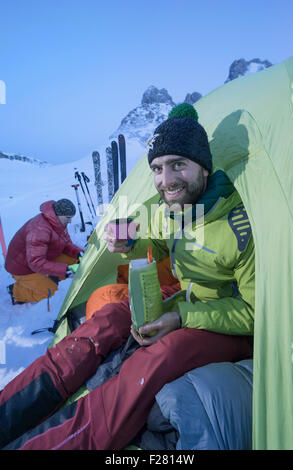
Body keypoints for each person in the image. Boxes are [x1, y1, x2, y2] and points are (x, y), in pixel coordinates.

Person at [0, 104, 254, 450]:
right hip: (188, 301)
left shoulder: (239, 228)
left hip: (230, 325)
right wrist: (130, 243)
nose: (166, 180)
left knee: (163, 355)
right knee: (108, 318)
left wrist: (182, 317)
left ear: (204, 168)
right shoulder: (173, 213)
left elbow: (255, 314)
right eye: (157, 168)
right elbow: (165, 249)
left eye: (178, 164)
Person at [5, 199, 83, 305]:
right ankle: (17, 290)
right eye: (68, 218)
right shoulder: (39, 230)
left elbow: (66, 244)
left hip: (42, 257)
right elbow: (35, 262)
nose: (70, 221)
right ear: (58, 214)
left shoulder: (59, 223)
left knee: (76, 260)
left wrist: (79, 253)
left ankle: (52, 277)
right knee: (51, 294)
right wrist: (66, 269)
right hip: (23, 268)